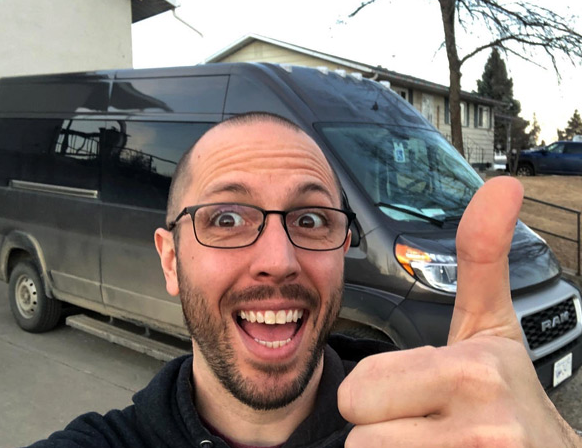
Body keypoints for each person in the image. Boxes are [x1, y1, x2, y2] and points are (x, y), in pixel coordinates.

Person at [28, 112, 581, 448]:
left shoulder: (431, 435)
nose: (279, 259)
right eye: (226, 218)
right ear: (171, 260)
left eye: (311, 219)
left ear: (342, 247)